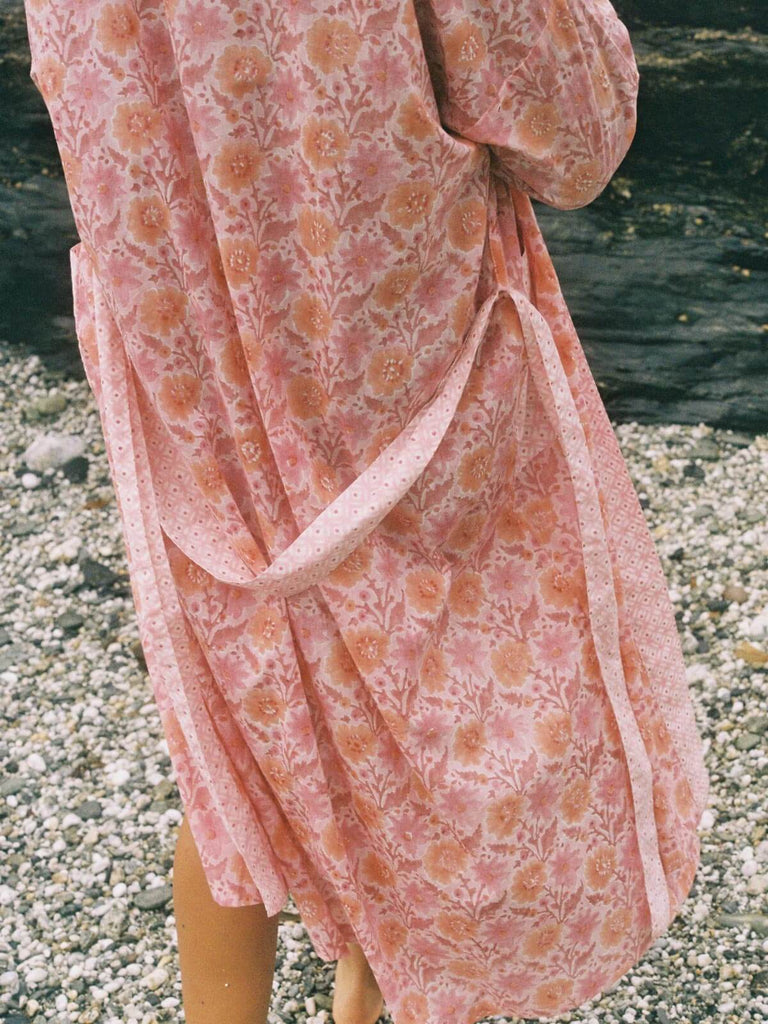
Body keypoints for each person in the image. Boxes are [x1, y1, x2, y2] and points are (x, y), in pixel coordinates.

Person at [22, 0, 709, 1021]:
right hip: (413, 403)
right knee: (452, 743)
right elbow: (576, 131)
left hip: (206, 415)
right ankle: (404, 977)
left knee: (246, 744)